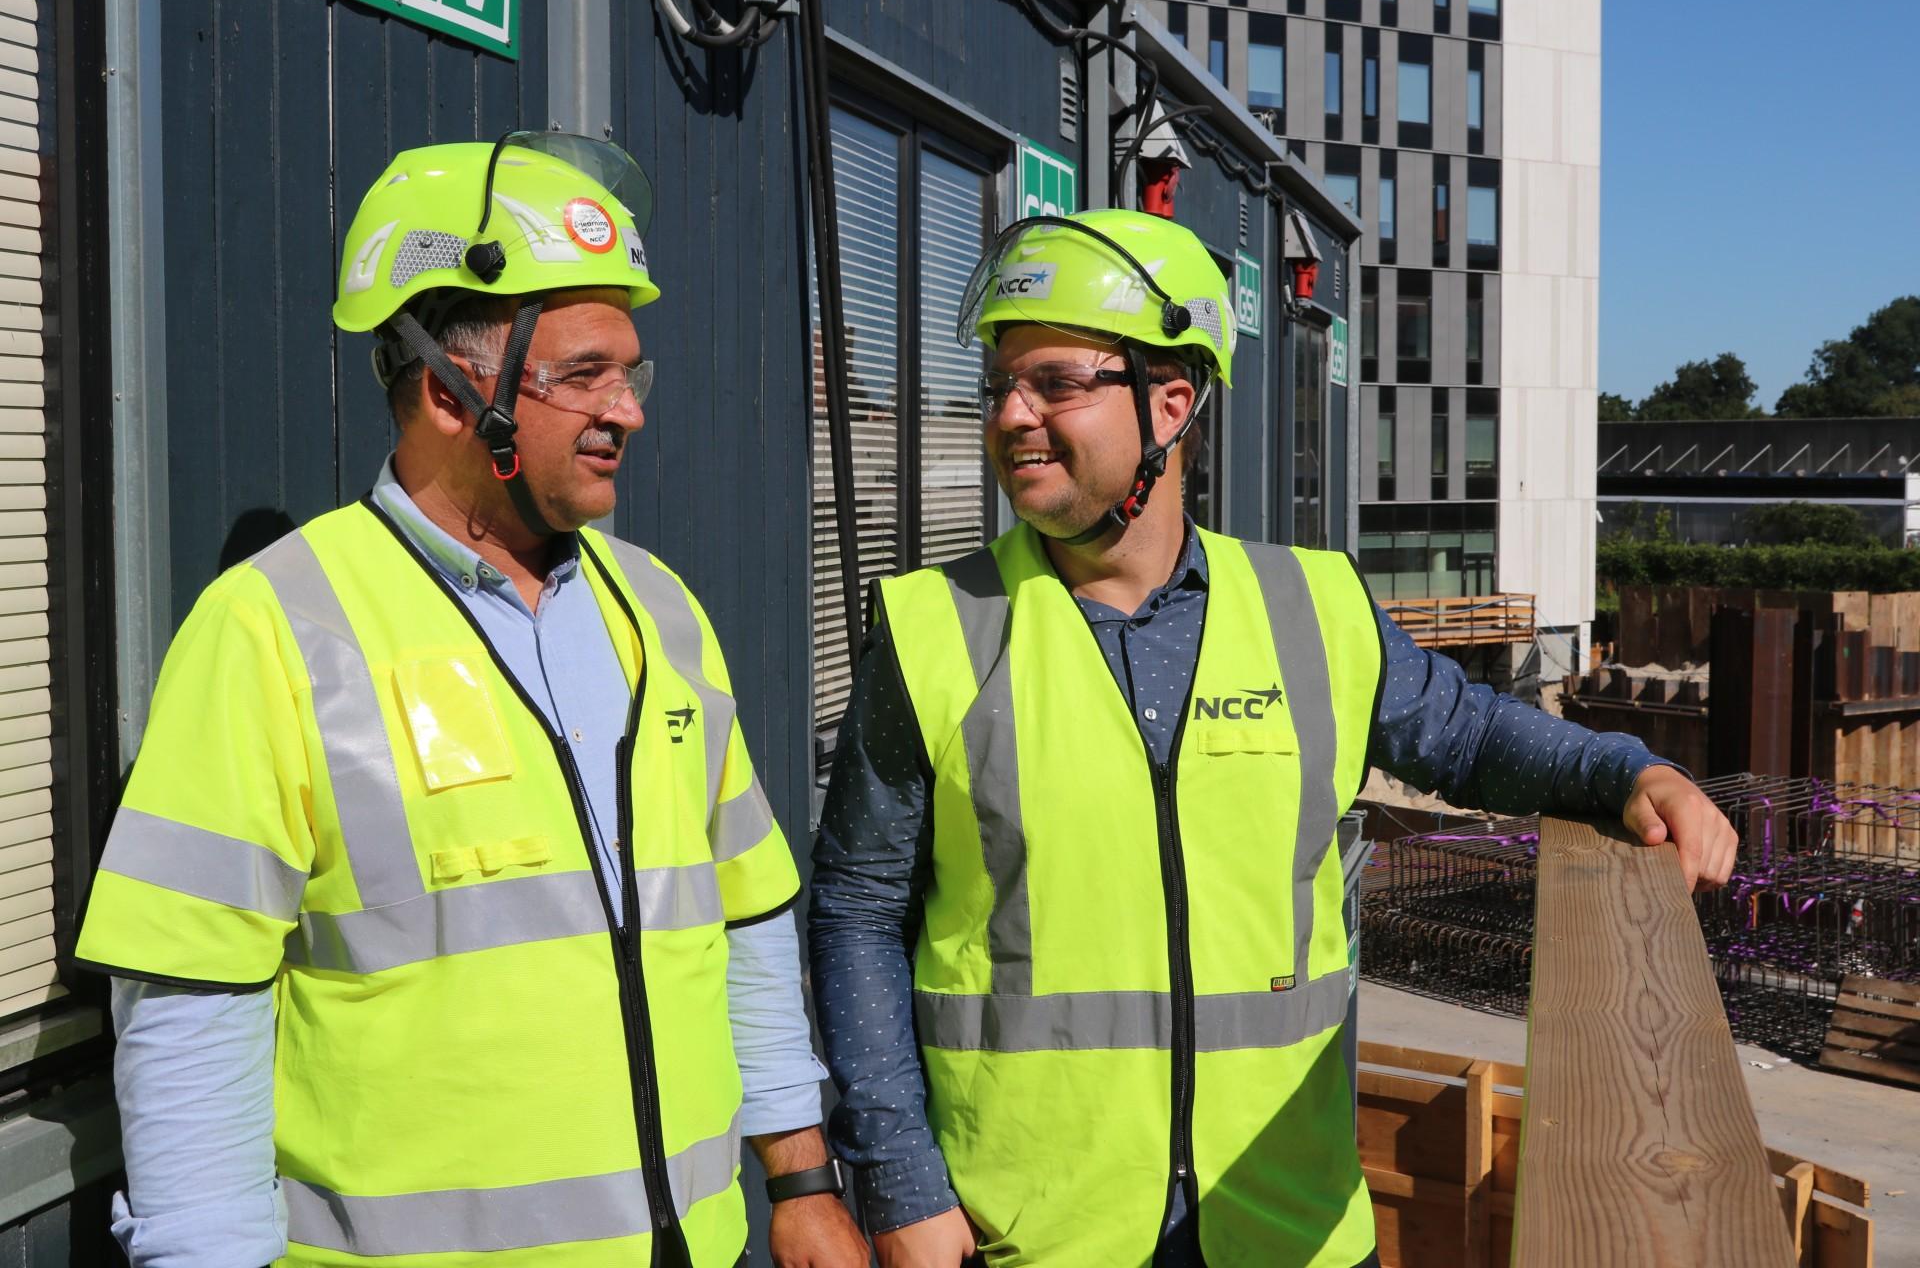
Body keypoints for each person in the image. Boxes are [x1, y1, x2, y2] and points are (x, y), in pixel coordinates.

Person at [808, 208, 1738, 1268]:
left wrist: (1631, 770)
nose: (1012, 415)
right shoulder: (934, 629)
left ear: (1171, 401)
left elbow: (1471, 733)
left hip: (1284, 1218)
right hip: (1025, 1222)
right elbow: (855, 908)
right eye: (1000, 386)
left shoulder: (1313, 609)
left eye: (1055, 381)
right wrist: (896, 1181)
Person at [77, 133, 867, 1268]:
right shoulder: (271, 629)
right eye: (583, 374)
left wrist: (798, 1175)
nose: (627, 410)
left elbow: (743, 916)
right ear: (450, 392)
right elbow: (191, 1013)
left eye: (630, 372)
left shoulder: (660, 610)